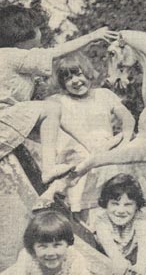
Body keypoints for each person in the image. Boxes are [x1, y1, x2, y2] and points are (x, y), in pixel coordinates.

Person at [0, 4, 118, 183]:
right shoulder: (11, 55)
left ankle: (92, 146)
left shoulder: (14, 59)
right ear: (23, 35)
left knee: (57, 121)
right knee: (52, 108)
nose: (41, 32)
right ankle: (49, 169)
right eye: (37, 28)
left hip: (10, 119)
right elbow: (55, 52)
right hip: (4, 121)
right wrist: (92, 37)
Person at [49, 53, 135, 222]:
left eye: (78, 74)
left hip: (104, 159)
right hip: (75, 161)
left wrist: (124, 141)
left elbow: (128, 118)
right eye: (68, 78)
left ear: (88, 72)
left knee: (108, 205)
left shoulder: (104, 95)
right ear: (62, 83)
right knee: (79, 210)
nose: (75, 81)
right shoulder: (57, 101)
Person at [3, 210, 108, 275]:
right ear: (33, 248)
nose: (51, 253)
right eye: (43, 246)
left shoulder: (75, 258)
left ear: (67, 244)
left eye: (57, 245)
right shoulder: (26, 257)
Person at [94, 173, 146, 275]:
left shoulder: (141, 221)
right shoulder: (102, 222)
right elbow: (109, 246)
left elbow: (145, 246)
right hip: (109, 257)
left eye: (128, 204)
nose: (121, 210)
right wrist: (118, 260)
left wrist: (141, 266)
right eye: (115, 204)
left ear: (137, 206)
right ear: (106, 204)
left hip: (134, 259)